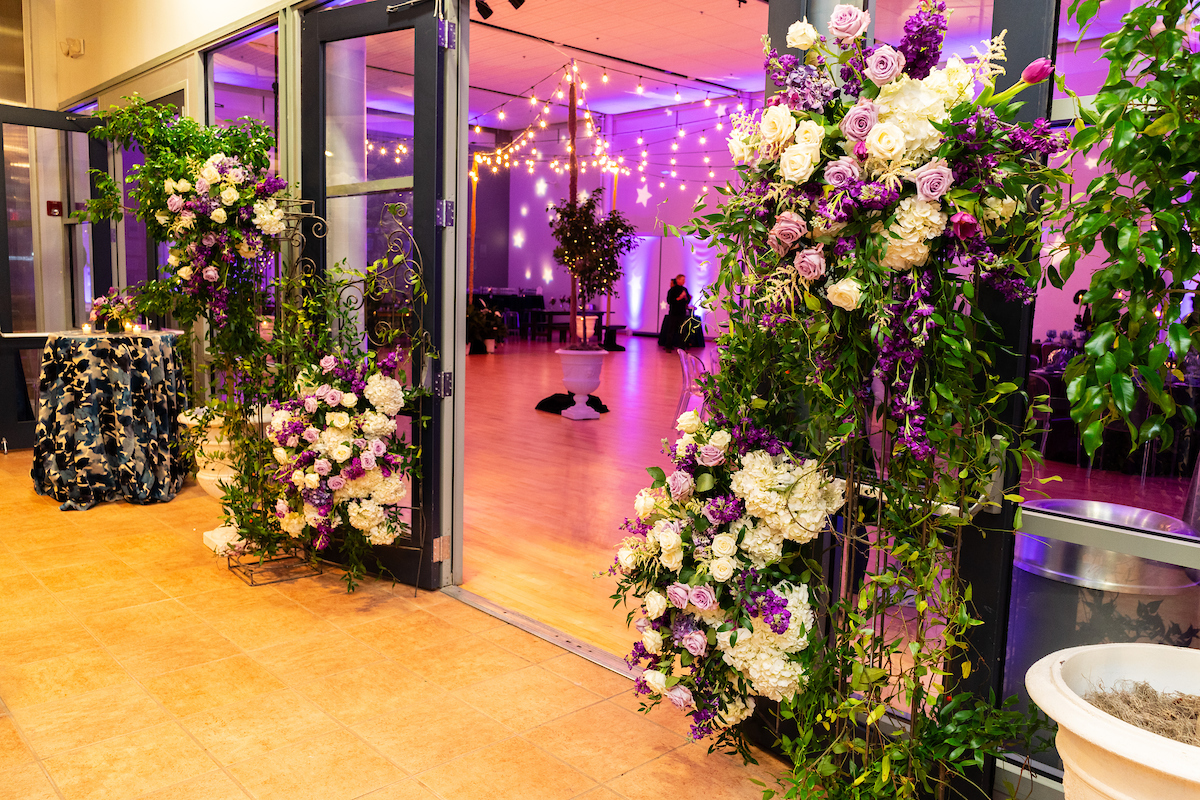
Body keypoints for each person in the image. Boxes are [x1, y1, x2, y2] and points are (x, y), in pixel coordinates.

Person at [658, 274, 695, 350]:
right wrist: (679, 298)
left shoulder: (684, 290)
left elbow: (687, 300)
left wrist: (685, 297)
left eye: (684, 280)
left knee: (682, 331)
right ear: (677, 280)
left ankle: (682, 347)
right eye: (682, 280)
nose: (683, 281)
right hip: (673, 313)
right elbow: (669, 301)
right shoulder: (672, 290)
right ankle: (668, 346)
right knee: (671, 331)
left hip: (682, 314)